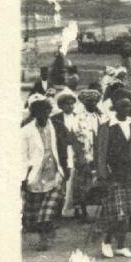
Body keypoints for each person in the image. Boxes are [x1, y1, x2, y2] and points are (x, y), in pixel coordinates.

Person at [96, 89, 131, 258]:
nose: (127, 109)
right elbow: (101, 153)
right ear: (115, 107)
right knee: (116, 211)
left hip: (129, 174)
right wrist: (102, 175)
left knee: (126, 211)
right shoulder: (107, 126)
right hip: (113, 175)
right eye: (123, 106)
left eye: (129, 106)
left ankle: (121, 246)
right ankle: (107, 242)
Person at [21, 95, 65, 251]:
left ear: (49, 112)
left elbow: (63, 147)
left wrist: (65, 167)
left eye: (46, 112)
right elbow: (23, 156)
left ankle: (45, 239)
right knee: (34, 214)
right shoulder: (26, 131)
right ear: (34, 113)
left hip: (54, 173)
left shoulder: (56, 126)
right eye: (40, 112)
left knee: (47, 211)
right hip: (35, 175)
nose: (43, 116)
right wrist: (23, 178)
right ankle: (45, 233)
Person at [73, 88, 104, 223]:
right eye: (89, 102)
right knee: (82, 184)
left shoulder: (100, 116)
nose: (92, 104)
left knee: (100, 182)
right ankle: (83, 211)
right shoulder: (78, 118)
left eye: (94, 101)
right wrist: (81, 158)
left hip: (98, 153)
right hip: (84, 153)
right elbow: (75, 138)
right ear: (84, 103)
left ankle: (103, 211)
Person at [52, 89, 80, 218]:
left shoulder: (78, 117)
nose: (70, 106)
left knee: (76, 179)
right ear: (61, 106)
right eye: (67, 104)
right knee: (63, 178)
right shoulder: (55, 119)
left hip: (76, 150)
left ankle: (75, 207)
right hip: (63, 151)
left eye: (72, 103)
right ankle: (58, 209)